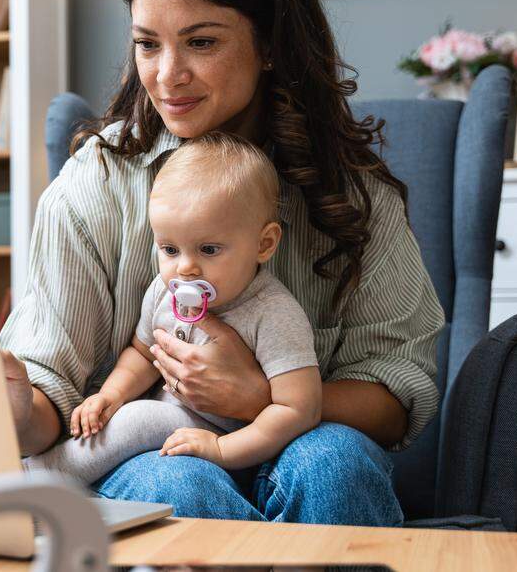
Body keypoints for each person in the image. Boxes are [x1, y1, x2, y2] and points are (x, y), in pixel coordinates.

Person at [0, 0, 444, 526]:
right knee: (177, 481)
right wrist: (14, 402)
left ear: (268, 44)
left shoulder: (351, 191)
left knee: (335, 465)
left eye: (201, 42)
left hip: (308, 442)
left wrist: (261, 398)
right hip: (158, 449)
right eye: (147, 45)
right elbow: (51, 393)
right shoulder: (96, 180)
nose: (167, 76)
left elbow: (398, 390)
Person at [23, 132, 320, 485]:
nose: (185, 269)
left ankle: (44, 479)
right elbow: (142, 353)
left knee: (139, 420)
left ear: (264, 243)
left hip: (236, 441)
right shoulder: (164, 291)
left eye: (208, 250)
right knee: (126, 416)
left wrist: (223, 448)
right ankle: (52, 478)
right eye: (169, 249)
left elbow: (299, 409)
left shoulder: (273, 313)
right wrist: (110, 395)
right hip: (176, 433)